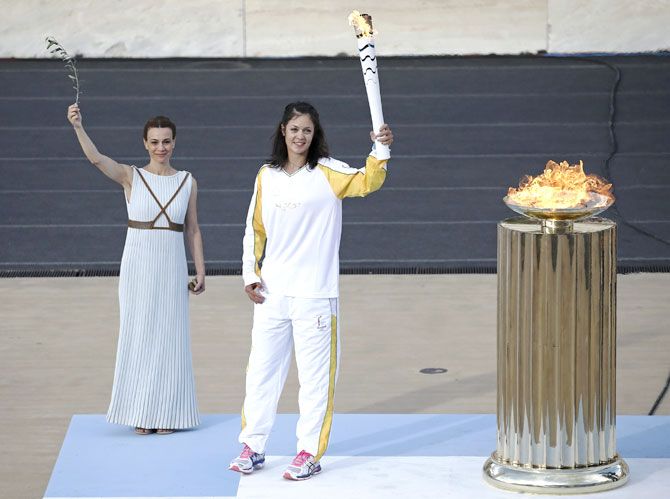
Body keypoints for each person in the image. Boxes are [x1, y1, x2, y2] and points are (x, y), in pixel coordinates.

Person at [229, 101, 393, 480]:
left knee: (315, 379)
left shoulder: (329, 172)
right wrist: (249, 275)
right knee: (261, 373)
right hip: (272, 293)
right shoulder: (266, 175)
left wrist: (380, 148)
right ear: (283, 131)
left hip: (315, 296)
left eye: (307, 130)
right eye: (294, 129)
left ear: (314, 134)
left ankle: (308, 452)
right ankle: (252, 446)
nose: (300, 136)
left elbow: (369, 181)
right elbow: (255, 229)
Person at [67, 103, 205, 435]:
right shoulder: (132, 176)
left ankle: (169, 414)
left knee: (170, 337)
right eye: (155, 142)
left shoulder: (188, 182)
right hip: (138, 267)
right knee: (139, 334)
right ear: (145, 143)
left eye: (167, 141)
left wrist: (200, 270)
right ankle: (140, 413)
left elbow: (193, 229)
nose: (161, 148)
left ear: (175, 143)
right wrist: (78, 126)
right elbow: (96, 159)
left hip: (172, 267)